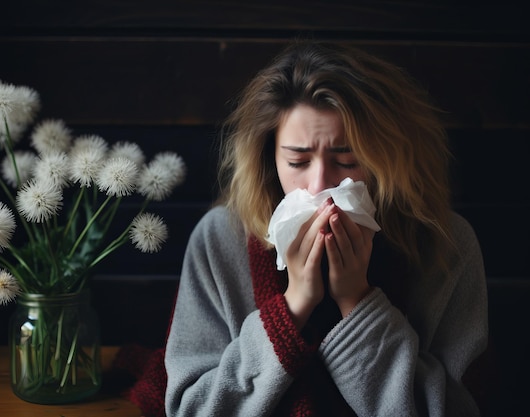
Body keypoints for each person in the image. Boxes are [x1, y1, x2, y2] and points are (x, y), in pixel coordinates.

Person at [163, 41, 488, 416]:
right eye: (298, 161)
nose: (319, 187)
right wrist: (293, 306)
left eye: (347, 161)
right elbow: (191, 409)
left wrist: (357, 300)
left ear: (387, 158)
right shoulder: (221, 239)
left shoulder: (447, 244)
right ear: (270, 158)